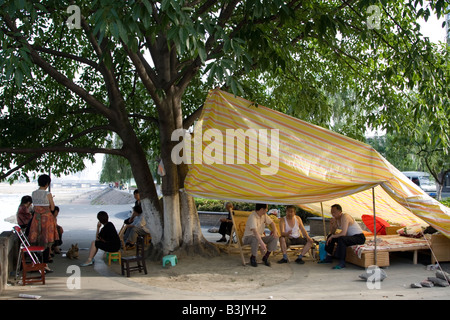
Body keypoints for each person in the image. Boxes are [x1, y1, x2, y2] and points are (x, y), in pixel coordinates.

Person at [320, 204, 366, 269]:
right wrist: (331, 224)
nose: (333, 214)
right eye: (332, 212)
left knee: (341, 239)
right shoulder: (336, 219)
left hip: (359, 237)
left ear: (340, 212)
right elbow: (332, 232)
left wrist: (333, 236)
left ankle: (342, 262)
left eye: (334, 212)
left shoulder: (345, 216)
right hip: (350, 237)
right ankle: (328, 257)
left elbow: (343, 233)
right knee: (330, 236)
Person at [28, 174, 59, 263]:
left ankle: (37, 260)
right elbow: (52, 208)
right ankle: (45, 261)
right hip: (47, 219)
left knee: (37, 239)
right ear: (47, 184)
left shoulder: (34, 193)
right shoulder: (48, 194)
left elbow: (34, 207)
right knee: (47, 240)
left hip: (36, 218)